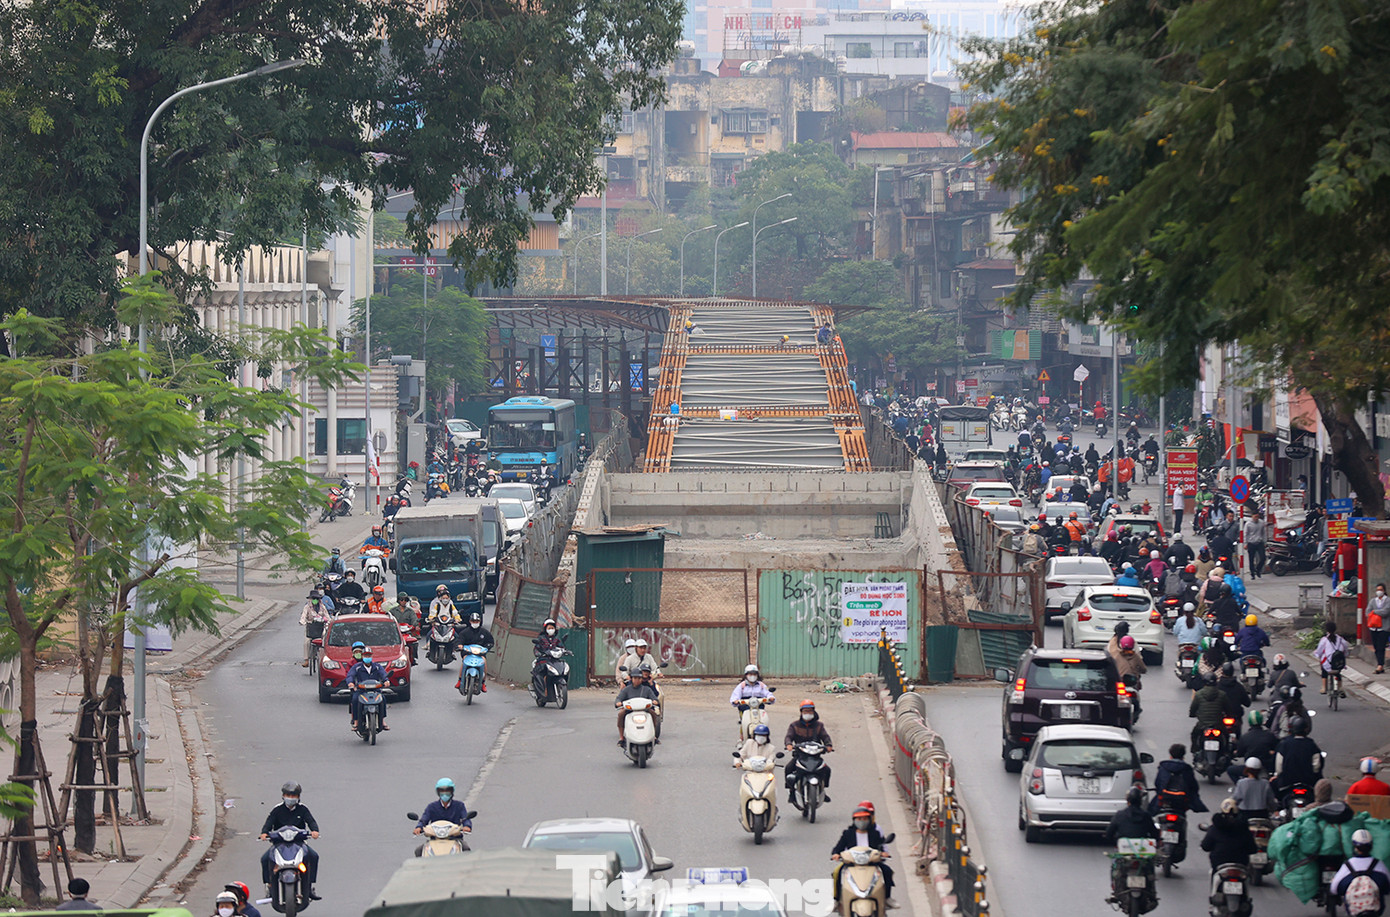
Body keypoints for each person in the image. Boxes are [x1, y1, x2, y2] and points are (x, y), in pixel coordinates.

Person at [258, 782, 320, 899]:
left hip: (299, 843)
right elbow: (268, 823)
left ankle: (309, 886)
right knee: (265, 859)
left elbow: (311, 821)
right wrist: (264, 833)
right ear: (283, 796)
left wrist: (314, 831)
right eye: (288, 795)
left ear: (298, 797)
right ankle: (270, 886)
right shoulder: (277, 809)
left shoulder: (303, 809)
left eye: (293, 796)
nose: (291, 798)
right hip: (279, 844)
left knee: (313, 856)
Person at [831, 802, 896, 909]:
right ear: (854, 821)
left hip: (871, 862)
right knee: (836, 873)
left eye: (865, 819)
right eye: (859, 819)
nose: (862, 822)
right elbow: (839, 847)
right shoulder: (848, 833)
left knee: (888, 871)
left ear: (870, 820)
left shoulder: (874, 834)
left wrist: (884, 853)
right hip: (852, 863)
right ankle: (836, 900)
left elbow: (882, 846)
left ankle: (887, 898)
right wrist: (836, 854)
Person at [784, 699, 835, 804]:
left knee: (827, 770)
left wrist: (828, 745)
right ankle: (792, 793)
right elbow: (789, 736)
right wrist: (789, 744)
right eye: (805, 711)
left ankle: (822, 791)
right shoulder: (794, 725)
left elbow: (825, 737)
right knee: (788, 768)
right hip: (800, 756)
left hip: (815, 756)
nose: (808, 713)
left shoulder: (819, 726)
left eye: (810, 711)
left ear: (814, 712)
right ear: (801, 712)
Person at [1330, 828, 1390, 916]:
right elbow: (1388, 885)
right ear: (1372, 845)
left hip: (1354, 911)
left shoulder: (1347, 866)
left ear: (1354, 847)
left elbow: (1334, 889)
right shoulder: (1379, 864)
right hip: (1375, 910)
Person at [1199, 798, 1257, 874]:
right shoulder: (1244, 829)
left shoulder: (1215, 828)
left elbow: (1206, 846)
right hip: (1240, 862)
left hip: (1219, 862)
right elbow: (1252, 849)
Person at [1273, 716, 1324, 796]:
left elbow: (1279, 768)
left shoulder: (1284, 744)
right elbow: (1316, 767)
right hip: (1308, 783)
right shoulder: (1311, 745)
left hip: (1287, 784)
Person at [1150, 744, 1207, 813]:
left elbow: (1157, 783)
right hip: (1181, 800)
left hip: (1165, 798)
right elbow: (1193, 786)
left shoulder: (1163, 767)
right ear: (1183, 756)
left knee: (1150, 810)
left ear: (1171, 755)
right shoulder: (1187, 769)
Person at [345, 642, 389, 731]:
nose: (367, 657)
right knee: (354, 699)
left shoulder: (376, 666)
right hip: (361, 690)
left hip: (375, 690)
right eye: (365, 656)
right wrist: (350, 683)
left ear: (371, 656)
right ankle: (356, 721)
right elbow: (350, 675)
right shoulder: (357, 667)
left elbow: (383, 673)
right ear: (362, 657)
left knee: (383, 699)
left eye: (369, 655)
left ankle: (382, 721)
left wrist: (386, 680)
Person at [1190, 672, 1238, 750]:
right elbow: (1228, 709)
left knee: (1194, 735)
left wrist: (1192, 714)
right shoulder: (1222, 694)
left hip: (1203, 724)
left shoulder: (1198, 694)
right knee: (1226, 736)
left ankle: (1195, 750)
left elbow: (1193, 709)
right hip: (1218, 724)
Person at [615, 665, 660, 745]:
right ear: (631, 679)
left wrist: (655, 701)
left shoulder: (647, 689)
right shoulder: (627, 689)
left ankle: (653, 736)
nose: (637, 680)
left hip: (645, 710)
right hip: (630, 710)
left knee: (653, 713)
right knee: (621, 714)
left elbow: (654, 698)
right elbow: (619, 698)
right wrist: (618, 702)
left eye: (639, 678)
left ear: (641, 679)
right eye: (635, 678)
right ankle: (621, 737)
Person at [1231, 710, 1280, 780]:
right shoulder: (1269, 735)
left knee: (1231, 770)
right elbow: (1276, 748)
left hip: (1250, 769)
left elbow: (1239, 753)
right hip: (1267, 767)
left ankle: (1240, 787)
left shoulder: (1245, 737)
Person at [454, 611, 495, 692]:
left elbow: (490, 642)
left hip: (480, 654)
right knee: (464, 662)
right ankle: (459, 680)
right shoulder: (465, 632)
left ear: (479, 622)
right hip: (467, 653)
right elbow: (459, 640)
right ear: (470, 622)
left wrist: (487, 648)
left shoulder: (484, 632)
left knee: (484, 663)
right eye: (473, 621)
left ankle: (483, 683)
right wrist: (459, 646)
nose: (475, 623)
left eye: (477, 622)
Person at [1315, 620, 1350, 695]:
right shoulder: (1341, 639)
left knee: (1324, 670)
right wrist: (1346, 655)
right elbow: (1346, 648)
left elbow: (1319, 651)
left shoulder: (1324, 640)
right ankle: (1340, 687)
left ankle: (1324, 688)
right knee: (1338, 673)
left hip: (1328, 664)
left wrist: (1318, 656)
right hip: (1338, 664)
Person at [299, 591, 331, 668]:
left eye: (316, 599)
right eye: (313, 599)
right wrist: (302, 622)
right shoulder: (307, 607)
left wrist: (328, 622)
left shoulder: (322, 607)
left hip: (320, 627)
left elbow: (327, 616)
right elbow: (303, 616)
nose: (315, 600)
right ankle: (306, 660)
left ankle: (324, 658)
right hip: (311, 627)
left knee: (324, 639)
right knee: (306, 642)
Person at [1370, 584, 1390, 674]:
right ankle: (1379, 664)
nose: (1379, 591)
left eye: (1381, 589)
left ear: (1384, 590)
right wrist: (1377, 612)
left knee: (1381, 646)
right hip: (1374, 627)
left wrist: (1375, 612)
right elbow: (1368, 611)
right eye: (1377, 589)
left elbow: (1386, 612)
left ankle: (1380, 665)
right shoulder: (1373, 601)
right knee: (1376, 647)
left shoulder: (1388, 601)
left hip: (1384, 627)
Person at [1243, 511, 1268, 578]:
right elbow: (1245, 534)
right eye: (1255, 517)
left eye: (1257, 517)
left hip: (1259, 542)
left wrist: (1265, 542)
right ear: (1252, 516)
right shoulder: (1248, 524)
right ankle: (1252, 573)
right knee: (1251, 559)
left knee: (1263, 558)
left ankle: (1258, 569)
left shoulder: (1261, 523)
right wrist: (1245, 543)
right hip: (1251, 543)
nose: (1256, 518)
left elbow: (1264, 533)